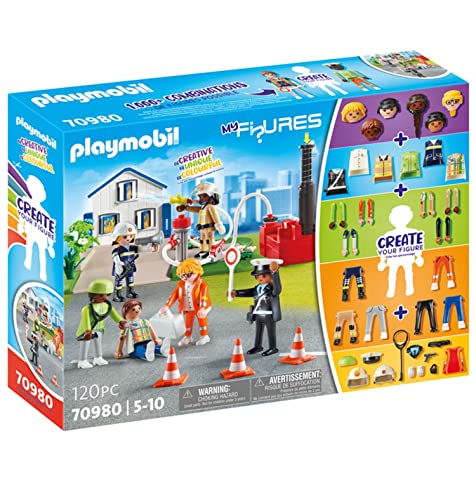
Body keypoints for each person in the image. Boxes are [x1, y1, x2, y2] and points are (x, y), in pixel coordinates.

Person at [228, 259, 282, 356]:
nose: (260, 278)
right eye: (257, 276)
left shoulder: (272, 288)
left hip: (269, 314)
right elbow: (248, 292)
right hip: (258, 314)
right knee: (258, 331)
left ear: (270, 276)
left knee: (271, 331)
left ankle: (273, 347)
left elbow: (277, 289)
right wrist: (236, 293)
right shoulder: (257, 288)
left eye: (264, 276)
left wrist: (275, 272)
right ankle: (258, 346)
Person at [75, 279, 126, 369]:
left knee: (97, 343)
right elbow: (86, 320)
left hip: (99, 329)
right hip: (87, 331)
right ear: (93, 295)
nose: (105, 297)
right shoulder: (87, 309)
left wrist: (120, 321)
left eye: (106, 295)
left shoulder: (107, 306)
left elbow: (113, 314)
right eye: (101, 295)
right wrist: (88, 330)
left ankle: (98, 357)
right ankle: (82, 360)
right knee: (85, 344)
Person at [159, 258, 211, 346]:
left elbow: (204, 296)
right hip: (187, 308)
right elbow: (174, 295)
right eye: (182, 275)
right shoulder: (181, 284)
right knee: (187, 323)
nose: (185, 278)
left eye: (188, 275)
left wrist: (202, 308)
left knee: (202, 321)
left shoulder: (202, 284)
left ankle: (204, 336)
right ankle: (187, 336)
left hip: (199, 307)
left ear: (197, 271)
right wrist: (167, 305)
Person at [177, 182, 225, 259]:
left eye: (204, 196)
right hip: (202, 228)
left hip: (209, 228)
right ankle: (203, 251)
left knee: (209, 239)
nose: (201, 198)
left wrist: (219, 225)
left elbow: (215, 216)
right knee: (202, 240)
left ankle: (211, 251)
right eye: (200, 197)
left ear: (213, 197)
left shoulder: (211, 207)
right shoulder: (202, 208)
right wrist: (185, 208)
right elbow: (195, 209)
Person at [111, 222, 139, 302]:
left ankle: (130, 292)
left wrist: (151, 248)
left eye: (130, 236)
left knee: (130, 279)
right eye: (125, 237)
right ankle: (117, 295)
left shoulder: (132, 248)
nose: (128, 238)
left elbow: (141, 249)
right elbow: (116, 259)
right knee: (119, 281)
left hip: (130, 267)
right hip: (121, 268)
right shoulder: (117, 250)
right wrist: (121, 264)